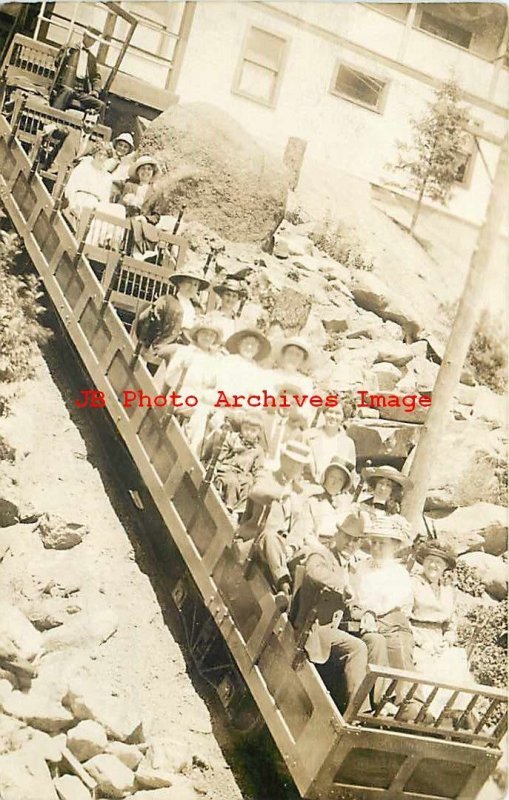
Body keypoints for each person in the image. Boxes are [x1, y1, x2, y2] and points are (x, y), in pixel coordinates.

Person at [291, 511, 389, 715]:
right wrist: (341, 584)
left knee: (376, 640)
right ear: (337, 535)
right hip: (315, 628)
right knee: (357, 647)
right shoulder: (321, 555)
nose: (350, 544)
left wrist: (366, 614)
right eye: (347, 538)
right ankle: (358, 711)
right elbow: (314, 572)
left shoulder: (349, 568)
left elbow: (351, 605)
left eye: (355, 541)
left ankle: (377, 702)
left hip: (334, 629)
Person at [411, 542, 474, 722]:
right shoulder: (413, 584)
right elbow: (403, 618)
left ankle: (450, 713)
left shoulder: (448, 590)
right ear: (423, 562)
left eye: (438, 563)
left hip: (439, 641)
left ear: (445, 566)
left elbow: (451, 623)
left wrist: (447, 638)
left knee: (457, 657)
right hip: (417, 641)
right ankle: (430, 714)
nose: (433, 566)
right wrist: (423, 643)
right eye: (430, 560)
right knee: (428, 665)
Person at [247, 440, 310, 608]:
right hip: (261, 538)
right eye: (292, 461)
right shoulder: (267, 476)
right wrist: (281, 493)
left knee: (310, 553)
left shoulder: (300, 492)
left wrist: (292, 547)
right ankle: (285, 587)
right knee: (270, 538)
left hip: (285, 546)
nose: (295, 467)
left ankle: (299, 606)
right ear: (283, 459)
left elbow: (300, 526)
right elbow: (255, 492)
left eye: (299, 464)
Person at [154, 316, 224, 452]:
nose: (207, 337)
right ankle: (191, 453)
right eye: (204, 333)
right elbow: (169, 379)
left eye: (211, 335)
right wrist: (180, 366)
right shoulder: (185, 352)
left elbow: (216, 384)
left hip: (204, 398)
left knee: (219, 419)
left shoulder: (215, 359)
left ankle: (210, 458)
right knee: (201, 411)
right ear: (197, 334)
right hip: (183, 395)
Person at [286, 457, 355, 561]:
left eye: (340, 480)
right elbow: (306, 534)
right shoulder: (313, 502)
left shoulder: (346, 507)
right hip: (315, 550)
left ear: (343, 485)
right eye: (332, 477)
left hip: (339, 552)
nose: (335, 482)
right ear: (325, 478)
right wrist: (324, 552)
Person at [202, 412, 266, 517]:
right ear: (241, 428)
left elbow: (258, 469)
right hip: (228, 469)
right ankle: (229, 508)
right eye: (246, 429)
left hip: (243, 474)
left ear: (259, 432)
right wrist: (214, 467)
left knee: (248, 485)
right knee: (232, 482)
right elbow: (220, 455)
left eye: (253, 431)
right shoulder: (233, 440)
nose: (249, 433)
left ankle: (239, 512)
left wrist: (258, 480)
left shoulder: (258, 450)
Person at [51, 28, 105, 117]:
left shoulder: (91, 58)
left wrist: (95, 90)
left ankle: (90, 129)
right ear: (84, 35)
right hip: (66, 85)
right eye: (89, 38)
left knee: (100, 105)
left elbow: (95, 76)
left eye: (94, 40)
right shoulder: (70, 47)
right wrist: (68, 53)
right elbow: (58, 62)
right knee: (68, 91)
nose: (91, 41)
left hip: (81, 91)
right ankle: (51, 119)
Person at [304, 404, 356, 485]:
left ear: (343, 417)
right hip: (307, 487)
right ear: (324, 413)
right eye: (330, 412)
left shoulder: (348, 443)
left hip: (333, 491)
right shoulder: (308, 435)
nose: (333, 416)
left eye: (337, 413)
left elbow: (351, 475)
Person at [120, 155, 161, 258]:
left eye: (149, 169)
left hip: (145, 225)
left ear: (152, 173)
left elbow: (156, 216)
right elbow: (120, 205)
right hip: (128, 221)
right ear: (138, 172)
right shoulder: (129, 185)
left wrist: (145, 218)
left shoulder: (156, 192)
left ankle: (143, 253)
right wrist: (128, 203)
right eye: (142, 168)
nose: (145, 172)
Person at [63, 142, 113, 225]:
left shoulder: (107, 177)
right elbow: (71, 187)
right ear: (94, 153)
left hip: (94, 206)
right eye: (100, 154)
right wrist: (72, 204)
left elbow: (105, 200)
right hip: (78, 200)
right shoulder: (83, 167)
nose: (101, 157)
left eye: (105, 156)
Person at [44, 109, 102, 175]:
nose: (89, 125)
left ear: (96, 126)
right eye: (87, 121)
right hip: (56, 172)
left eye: (92, 123)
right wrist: (54, 126)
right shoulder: (71, 132)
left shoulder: (94, 144)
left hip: (74, 178)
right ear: (82, 121)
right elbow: (60, 130)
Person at [169, 265, 210, 334]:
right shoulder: (168, 301)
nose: (192, 287)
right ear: (180, 283)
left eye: (195, 285)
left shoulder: (197, 308)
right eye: (189, 282)